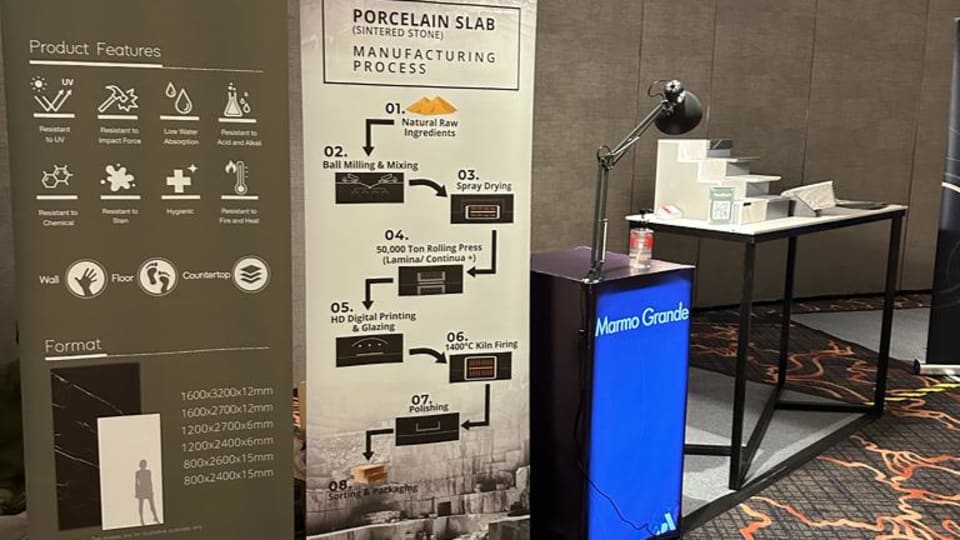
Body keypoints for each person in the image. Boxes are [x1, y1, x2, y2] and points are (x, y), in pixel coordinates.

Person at [135, 459, 159, 525]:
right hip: (141, 490)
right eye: (142, 464)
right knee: (141, 505)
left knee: (152, 505)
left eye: (144, 464)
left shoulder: (148, 472)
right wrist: (137, 492)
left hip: (148, 490)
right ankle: (141, 519)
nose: (143, 465)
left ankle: (155, 517)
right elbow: (136, 483)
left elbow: (150, 481)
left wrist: (151, 490)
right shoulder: (138, 473)